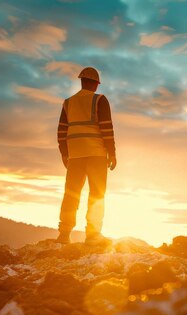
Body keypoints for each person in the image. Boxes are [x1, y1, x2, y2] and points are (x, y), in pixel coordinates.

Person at [55, 67, 117, 245]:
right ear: (96, 84)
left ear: (81, 81)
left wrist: (65, 154)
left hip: (74, 156)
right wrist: (112, 153)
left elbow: (61, 131)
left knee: (71, 194)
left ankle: (64, 233)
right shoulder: (100, 100)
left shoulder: (68, 102)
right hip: (96, 154)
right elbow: (107, 128)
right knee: (97, 194)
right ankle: (92, 234)